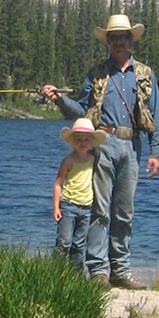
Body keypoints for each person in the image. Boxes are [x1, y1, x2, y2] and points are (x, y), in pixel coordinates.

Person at [39, 14, 159, 289]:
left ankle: (121, 270)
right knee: (100, 210)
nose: (119, 41)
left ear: (132, 40)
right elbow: (81, 112)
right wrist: (60, 100)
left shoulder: (145, 74)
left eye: (124, 37)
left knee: (125, 212)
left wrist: (156, 152)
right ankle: (98, 270)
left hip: (133, 147)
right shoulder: (95, 74)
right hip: (103, 144)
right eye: (114, 37)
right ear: (107, 41)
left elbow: (157, 115)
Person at [52, 117, 105, 274]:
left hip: (86, 207)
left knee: (79, 244)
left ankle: (76, 275)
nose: (82, 143)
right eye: (79, 139)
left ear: (92, 143)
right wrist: (56, 207)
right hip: (69, 205)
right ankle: (55, 271)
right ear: (73, 141)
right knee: (64, 242)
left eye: (86, 140)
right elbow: (58, 183)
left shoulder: (92, 159)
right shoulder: (68, 161)